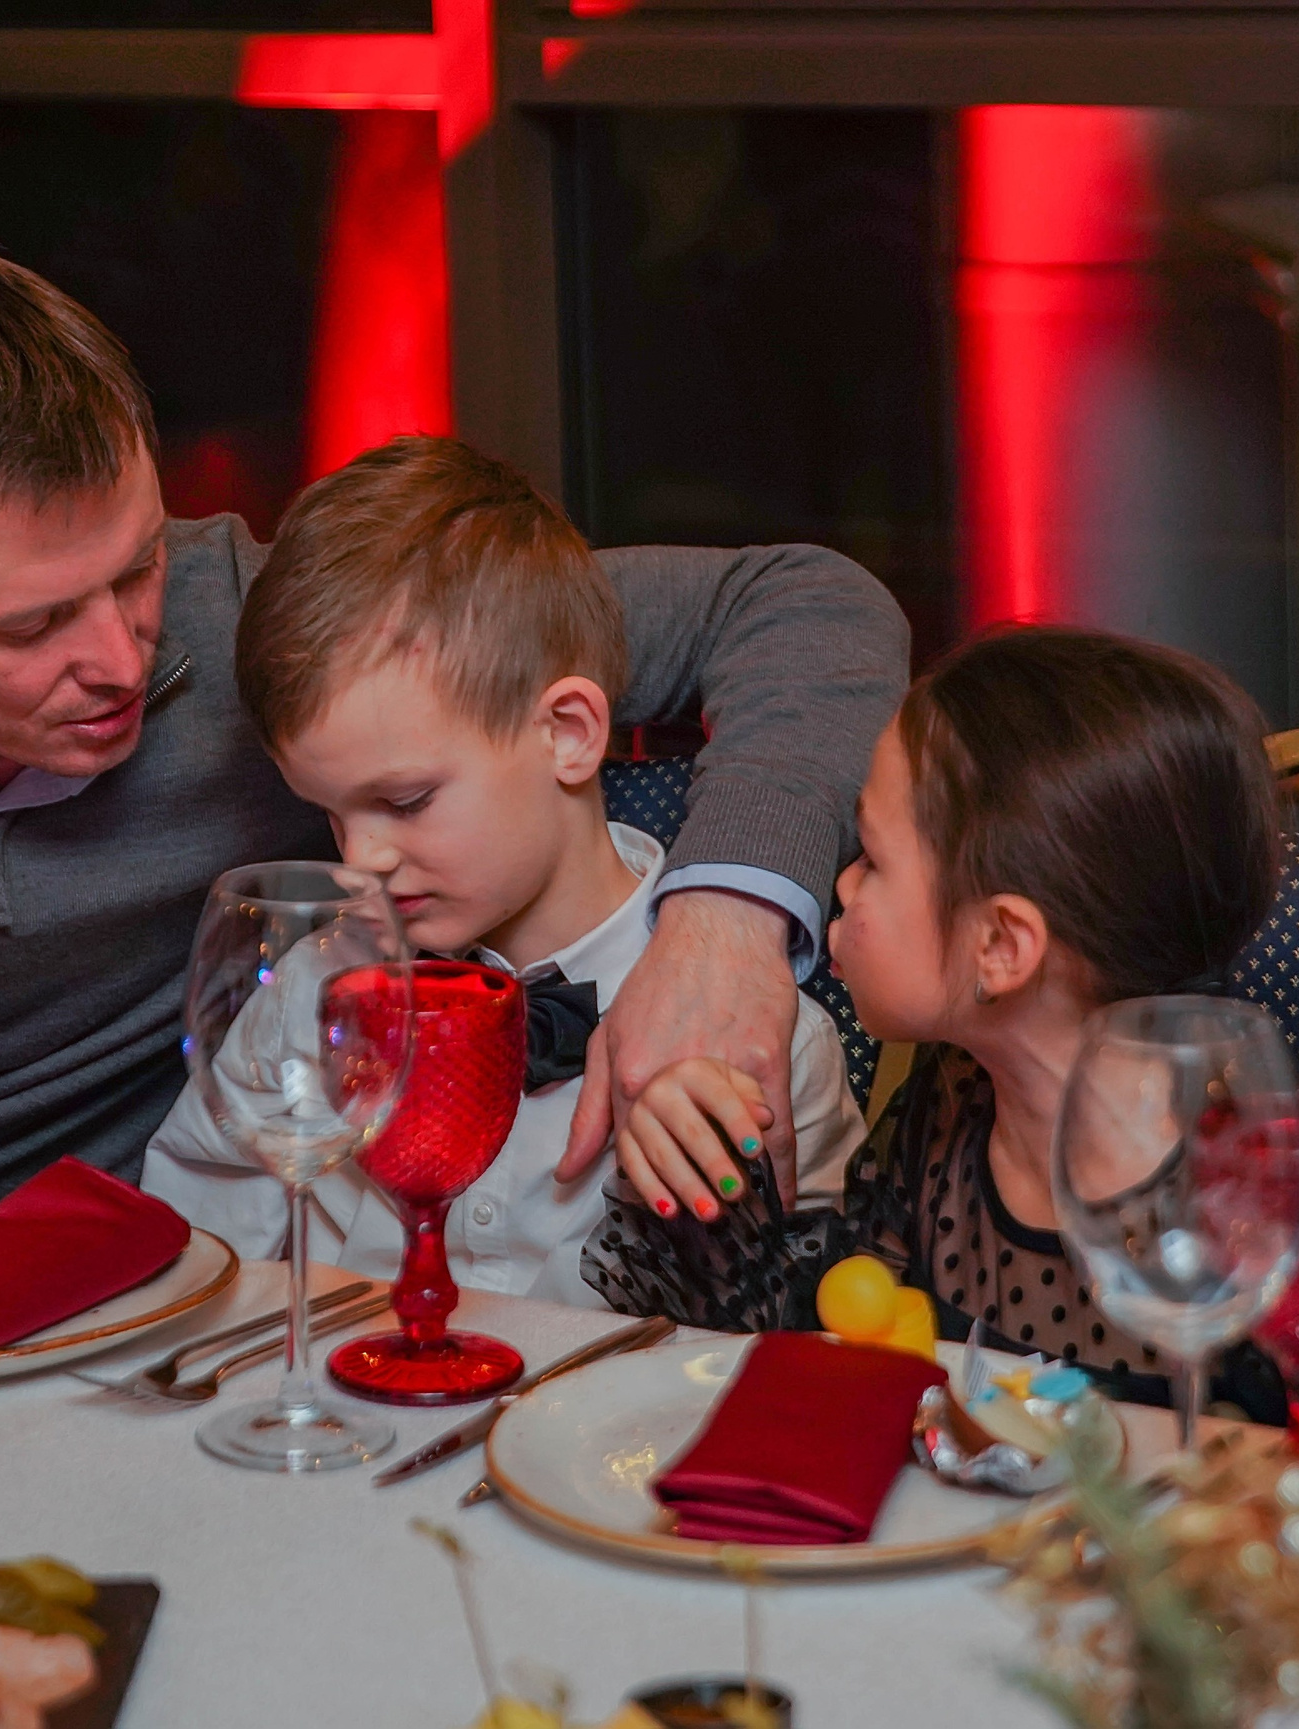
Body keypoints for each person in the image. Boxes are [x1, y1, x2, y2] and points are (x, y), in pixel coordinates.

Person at [0, 230, 910, 1224]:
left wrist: (722, 921)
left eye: (135, 566)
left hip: (165, 1293)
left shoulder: (277, 628)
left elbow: (807, 607)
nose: (122, 659)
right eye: (32, 625)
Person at [586, 625, 1299, 1461]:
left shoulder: (1237, 1207)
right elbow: (851, 1343)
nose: (839, 883)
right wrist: (708, 1179)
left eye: (872, 859)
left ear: (1001, 946)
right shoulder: (953, 1103)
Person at [140, 438, 862, 1304]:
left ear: (566, 733)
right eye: (332, 813)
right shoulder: (310, 994)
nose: (360, 859)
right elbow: (197, 1249)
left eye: (405, 802)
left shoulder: (748, 1038)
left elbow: (794, 1333)